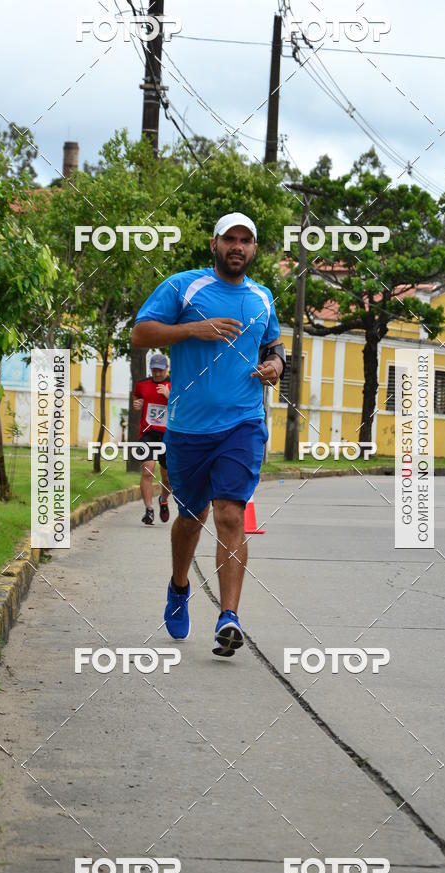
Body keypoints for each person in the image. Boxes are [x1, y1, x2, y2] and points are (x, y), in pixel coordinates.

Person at [131, 212, 285, 657]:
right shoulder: (183, 287)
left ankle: (228, 616)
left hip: (243, 422)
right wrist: (193, 329)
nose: (238, 247)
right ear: (215, 243)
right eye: (230, 239)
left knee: (230, 515)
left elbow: (273, 346)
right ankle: (179, 587)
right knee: (191, 518)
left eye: (246, 241)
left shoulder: (262, 297)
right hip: (188, 428)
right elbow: (141, 332)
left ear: (255, 249)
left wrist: (275, 365)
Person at [132, 352, 172, 525]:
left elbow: (184, 405)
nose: (157, 374)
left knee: (167, 476)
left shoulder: (174, 383)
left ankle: (163, 499)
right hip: (148, 433)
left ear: (166, 369)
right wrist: (137, 404)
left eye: (160, 371)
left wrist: (168, 396)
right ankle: (148, 510)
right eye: (154, 370)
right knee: (147, 469)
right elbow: (137, 398)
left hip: (168, 434)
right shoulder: (142, 384)